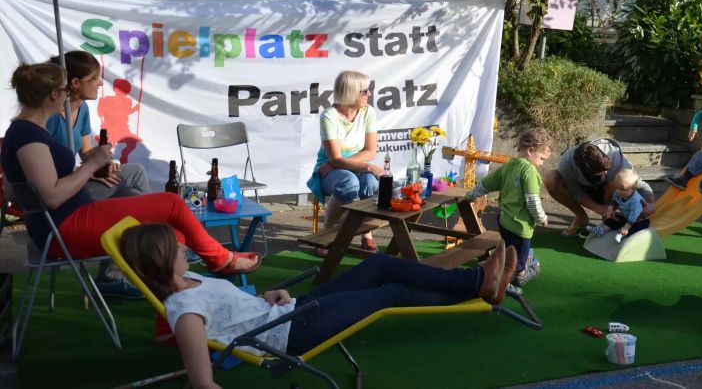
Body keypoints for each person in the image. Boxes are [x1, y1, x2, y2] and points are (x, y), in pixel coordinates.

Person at [120, 223, 517, 389]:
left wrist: (266, 295)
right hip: (290, 333)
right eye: (177, 247)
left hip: (288, 310)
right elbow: (201, 380)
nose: (185, 247)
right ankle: (479, 285)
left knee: (378, 264)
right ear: (162, 259)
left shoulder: (194, 280)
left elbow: (230, 310)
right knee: (390, 294)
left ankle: (478, 284)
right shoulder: (183, 312)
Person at [0, 63, 260, 277]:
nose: (67, 97)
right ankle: (220, 259)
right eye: (64, 91)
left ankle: (172, 318)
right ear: (54, 95)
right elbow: (51, 196)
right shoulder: (28, 136)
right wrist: (91, 164)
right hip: (64, 229)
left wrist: (86, 171)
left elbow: (17, 189)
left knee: (172, 235)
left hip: (66, 221)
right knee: (172, 203)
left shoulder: (23, 132)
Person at [46, 51, 153, 297]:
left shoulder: (81, 108)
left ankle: (117, 273)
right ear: (75, 83)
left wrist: (104, 161)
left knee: (133, 190)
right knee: (134, 193)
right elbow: (51, 171)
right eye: (94, 79)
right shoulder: (50, 115)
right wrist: (89, 171)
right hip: (63, 194)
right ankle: (149, 253)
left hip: (78, 181)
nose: (100, 83)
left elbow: (85, 152)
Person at [306, 71, 382, 253]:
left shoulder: (368, 111)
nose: (369, 94)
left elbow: (371, 151)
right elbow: (336, 158)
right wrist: (363, 165)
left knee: (371, 183)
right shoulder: (329, 116)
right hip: (330, 170)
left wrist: (337, 162)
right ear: (350, 92)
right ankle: (325, 235)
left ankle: (367, 233)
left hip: (333, 165)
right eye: (364, 91)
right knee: (349, 183)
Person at [466, 128, 551, 287]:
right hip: (521, 226)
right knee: (520, 260)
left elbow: (486, 184)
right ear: (531, 151)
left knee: (509, 248)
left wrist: (471, 194)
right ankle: (520, 274)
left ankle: (503, 264)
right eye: (541, 158)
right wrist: (542, 218)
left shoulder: (508, 166)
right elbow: (532, 200)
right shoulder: (529, 171)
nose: (542, 164)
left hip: (504, 221)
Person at [544, 138, 656, 237]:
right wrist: (600, 210)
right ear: (587, 171)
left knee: (614, 182)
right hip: (586, 190)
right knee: (550, 179)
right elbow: (579, 195)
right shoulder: (567, 165)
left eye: (607, 168)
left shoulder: (613, 154)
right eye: (603, 171)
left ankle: (608, 218)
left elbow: (639, 184)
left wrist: (651, 206)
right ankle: (581, 217)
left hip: (609, 192)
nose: (607, 172)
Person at [579, 168, 651, 242]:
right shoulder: (618, 193)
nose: (619, 191)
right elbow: (614, 200)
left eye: (623, 189)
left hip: (638, 220)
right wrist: (610, 209)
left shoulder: (636, 200)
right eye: (617, 188)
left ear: (633, 188)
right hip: (625, 217)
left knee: (635, 230)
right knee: (613, 220)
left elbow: (633, 215)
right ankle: (600, 230)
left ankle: (623, 235)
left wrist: (626, 227)